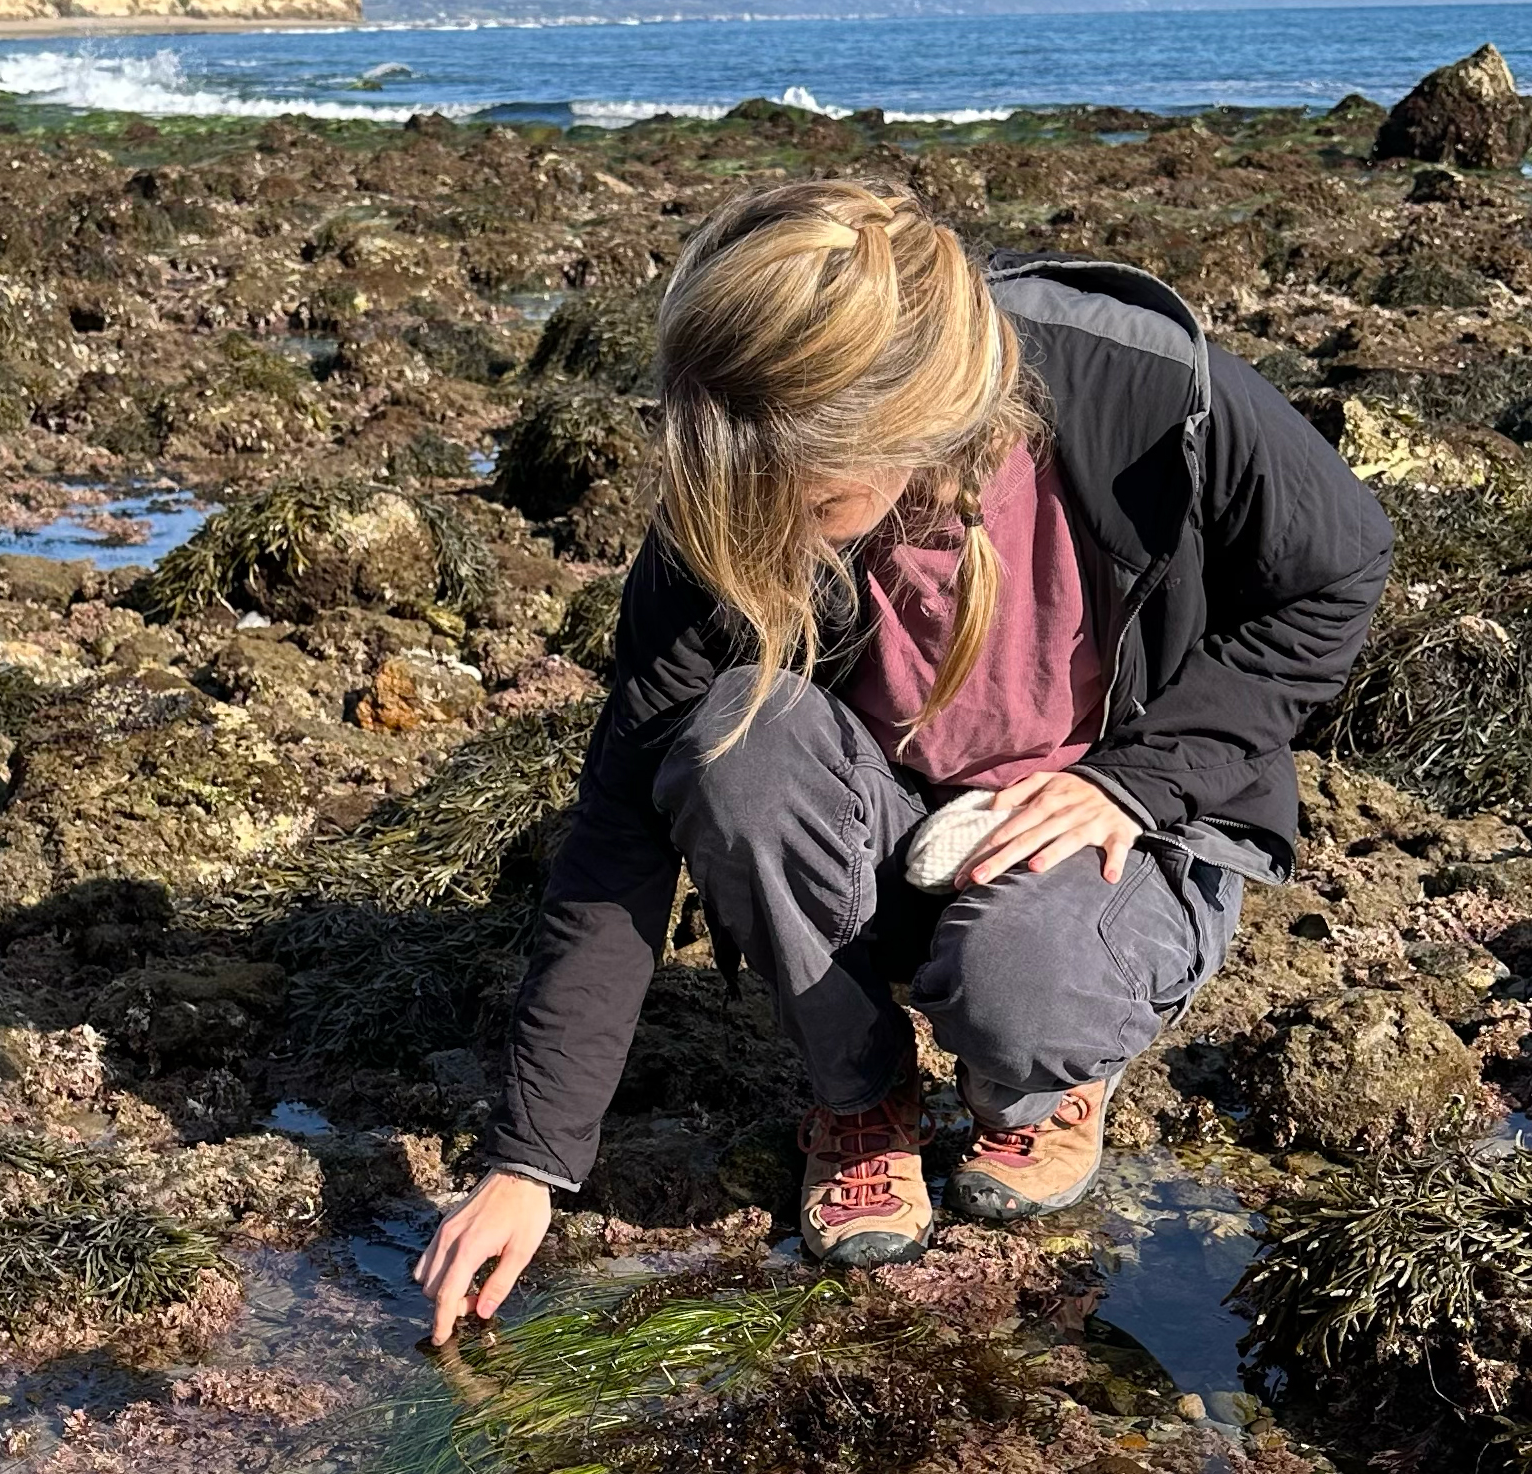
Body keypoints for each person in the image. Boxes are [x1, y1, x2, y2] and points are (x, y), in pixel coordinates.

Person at [416, 180, 1391, 1343]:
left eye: (802, 499)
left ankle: (1041, 1086)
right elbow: (621, 825)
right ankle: (861, 1093)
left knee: (1022, 983)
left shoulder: (1146, 387)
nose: (748, 525)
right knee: (733, 747)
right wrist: (533, 1160)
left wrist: (1136, 779)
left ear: (899, 439)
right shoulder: (743, 468)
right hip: (885, 831)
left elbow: (1337, 576)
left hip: (1120, 831)